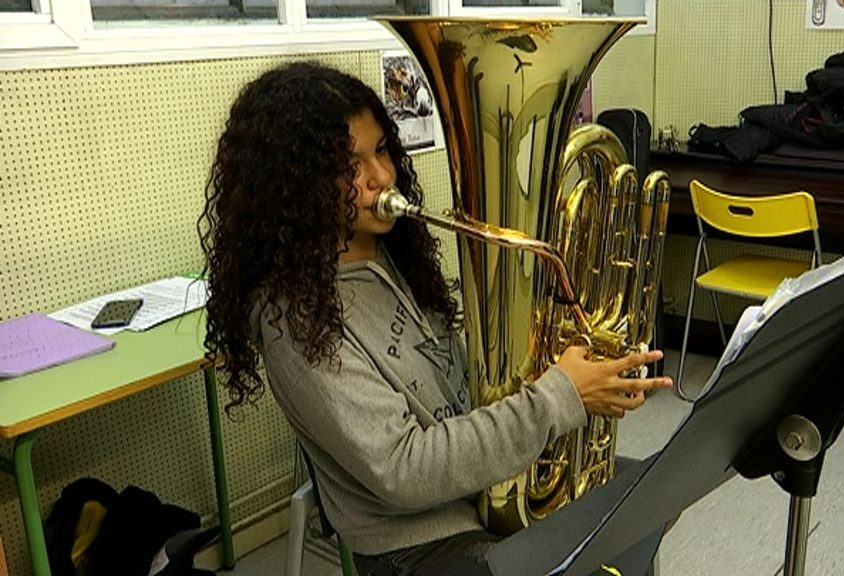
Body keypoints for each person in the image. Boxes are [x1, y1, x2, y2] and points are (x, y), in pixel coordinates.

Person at [198, 61, 672, 576]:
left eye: (381, 150)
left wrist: (548, 362)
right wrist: (559, 398)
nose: (381, 176)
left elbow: (452, 384)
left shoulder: (388, 253)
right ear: (294, 183)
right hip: (415, 546)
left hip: (478, 495)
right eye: (348, 165)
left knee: (644, 501)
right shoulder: (291, 318)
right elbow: (405, 470)